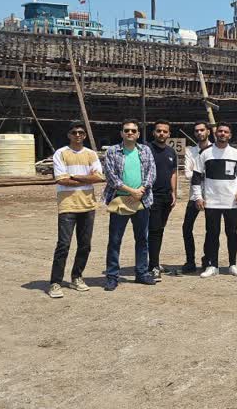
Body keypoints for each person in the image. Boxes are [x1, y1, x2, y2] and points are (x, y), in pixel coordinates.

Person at [48, 121, 104, 298]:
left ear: (85, 135)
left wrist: (74, 176)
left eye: (81, 132)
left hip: (88, 205)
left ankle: (77, 277)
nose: (78, 135)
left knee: (85, 245)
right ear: (69, 135)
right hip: (68, 205)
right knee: (63, 245)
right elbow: (61, 180)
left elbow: (99, 177)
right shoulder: (61, 153)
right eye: (74, 132)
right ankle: (55, 282)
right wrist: (87, 178)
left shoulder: (91, 154)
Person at [102, 119, 157, 290]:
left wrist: (141, 189)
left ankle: (141, 273)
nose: (130, 133)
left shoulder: (145, 150)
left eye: (133, 130)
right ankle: (112, 276)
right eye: (126, 130)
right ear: (121, 133)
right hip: (120, 200)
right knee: (115, 240)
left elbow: (151, 172)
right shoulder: (112, 151)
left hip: (142, 200)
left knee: (142, 239)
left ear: (138, 134)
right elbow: (110, 176)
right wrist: (131, 190)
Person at [194, 123, 237, 278]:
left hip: (231, 202)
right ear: (215, 133)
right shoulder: (205, 153)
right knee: (212, 233)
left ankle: (233, 264)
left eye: (226, 132)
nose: (223, 134)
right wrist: (198, 196)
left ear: (230, 135)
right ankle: (212, 265)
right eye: (220, 131)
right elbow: (197, 176)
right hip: (212, 201)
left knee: (232, 233)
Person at [147, 119, 178, 282]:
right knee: (153, 231)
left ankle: (155, 262)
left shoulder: (171, 152)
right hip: (152, 196)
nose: (161, 133)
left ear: (169, 134)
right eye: (159, 131)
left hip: (166, 196)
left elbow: (173, 173)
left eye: (165, 131)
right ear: (154, 132)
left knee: (159, 230)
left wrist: (174, 192)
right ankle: (153, 266)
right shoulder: (146, 149)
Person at [180, 121, 211, 273]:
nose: (199, 133)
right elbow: (187, 174)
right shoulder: (190, 151)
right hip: (194, 195)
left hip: (211, 195)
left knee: (211, 229)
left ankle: (207, 259)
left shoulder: (215, 150)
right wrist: (205, 174)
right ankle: (190, 261)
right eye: (197, 130)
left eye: (202, 130)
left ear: (208, 131)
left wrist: (198, 173)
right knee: (186, 228)